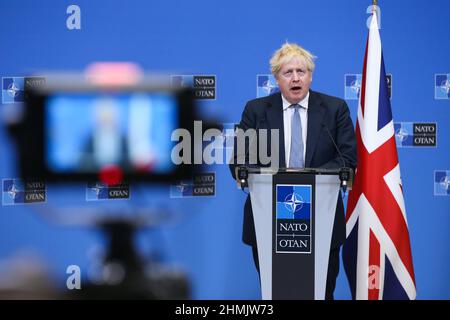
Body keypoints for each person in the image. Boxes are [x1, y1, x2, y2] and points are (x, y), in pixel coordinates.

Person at [229, 42, 357, 299]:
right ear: (276, 78)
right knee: (277, 292)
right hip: (269, 220)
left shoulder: (334, 109)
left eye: (301, 71)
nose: (295, 78)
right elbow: (239, 160)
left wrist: (308, 180)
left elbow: (347, 158)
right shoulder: (256, 111)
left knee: (322, 292)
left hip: (323, 217)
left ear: (311, 75)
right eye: (288, 72)